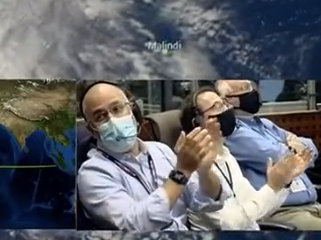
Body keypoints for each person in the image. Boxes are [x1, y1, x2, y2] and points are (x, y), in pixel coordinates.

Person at [76, 81, 231, 231]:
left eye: (117, 109)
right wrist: (181, 172)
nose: (113, 120)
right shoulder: (92, 173)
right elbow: (135, 225)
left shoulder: (160, 150)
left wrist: (204, 171)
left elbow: (206, 203)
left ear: (133, 110)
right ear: (92, 130)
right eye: (100, 117)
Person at [180, 86, 310, 230]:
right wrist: (272, 187)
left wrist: (282, 183)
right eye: (216, 106)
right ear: (197, 122)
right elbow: (231, 225)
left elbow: (258, 209)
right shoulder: (193, 168)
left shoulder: (225, 154)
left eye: (224, 103)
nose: (226, 110)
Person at [215, 80, 321, 230]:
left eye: (251, 87)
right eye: (244, 88)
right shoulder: (233, 133)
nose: (252, 92)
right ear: (227, 100)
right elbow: (282, 159)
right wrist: (290, 145)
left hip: (314, 205)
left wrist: (292, 148)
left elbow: (310, 148)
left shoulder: (266, 124)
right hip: (282, 212)